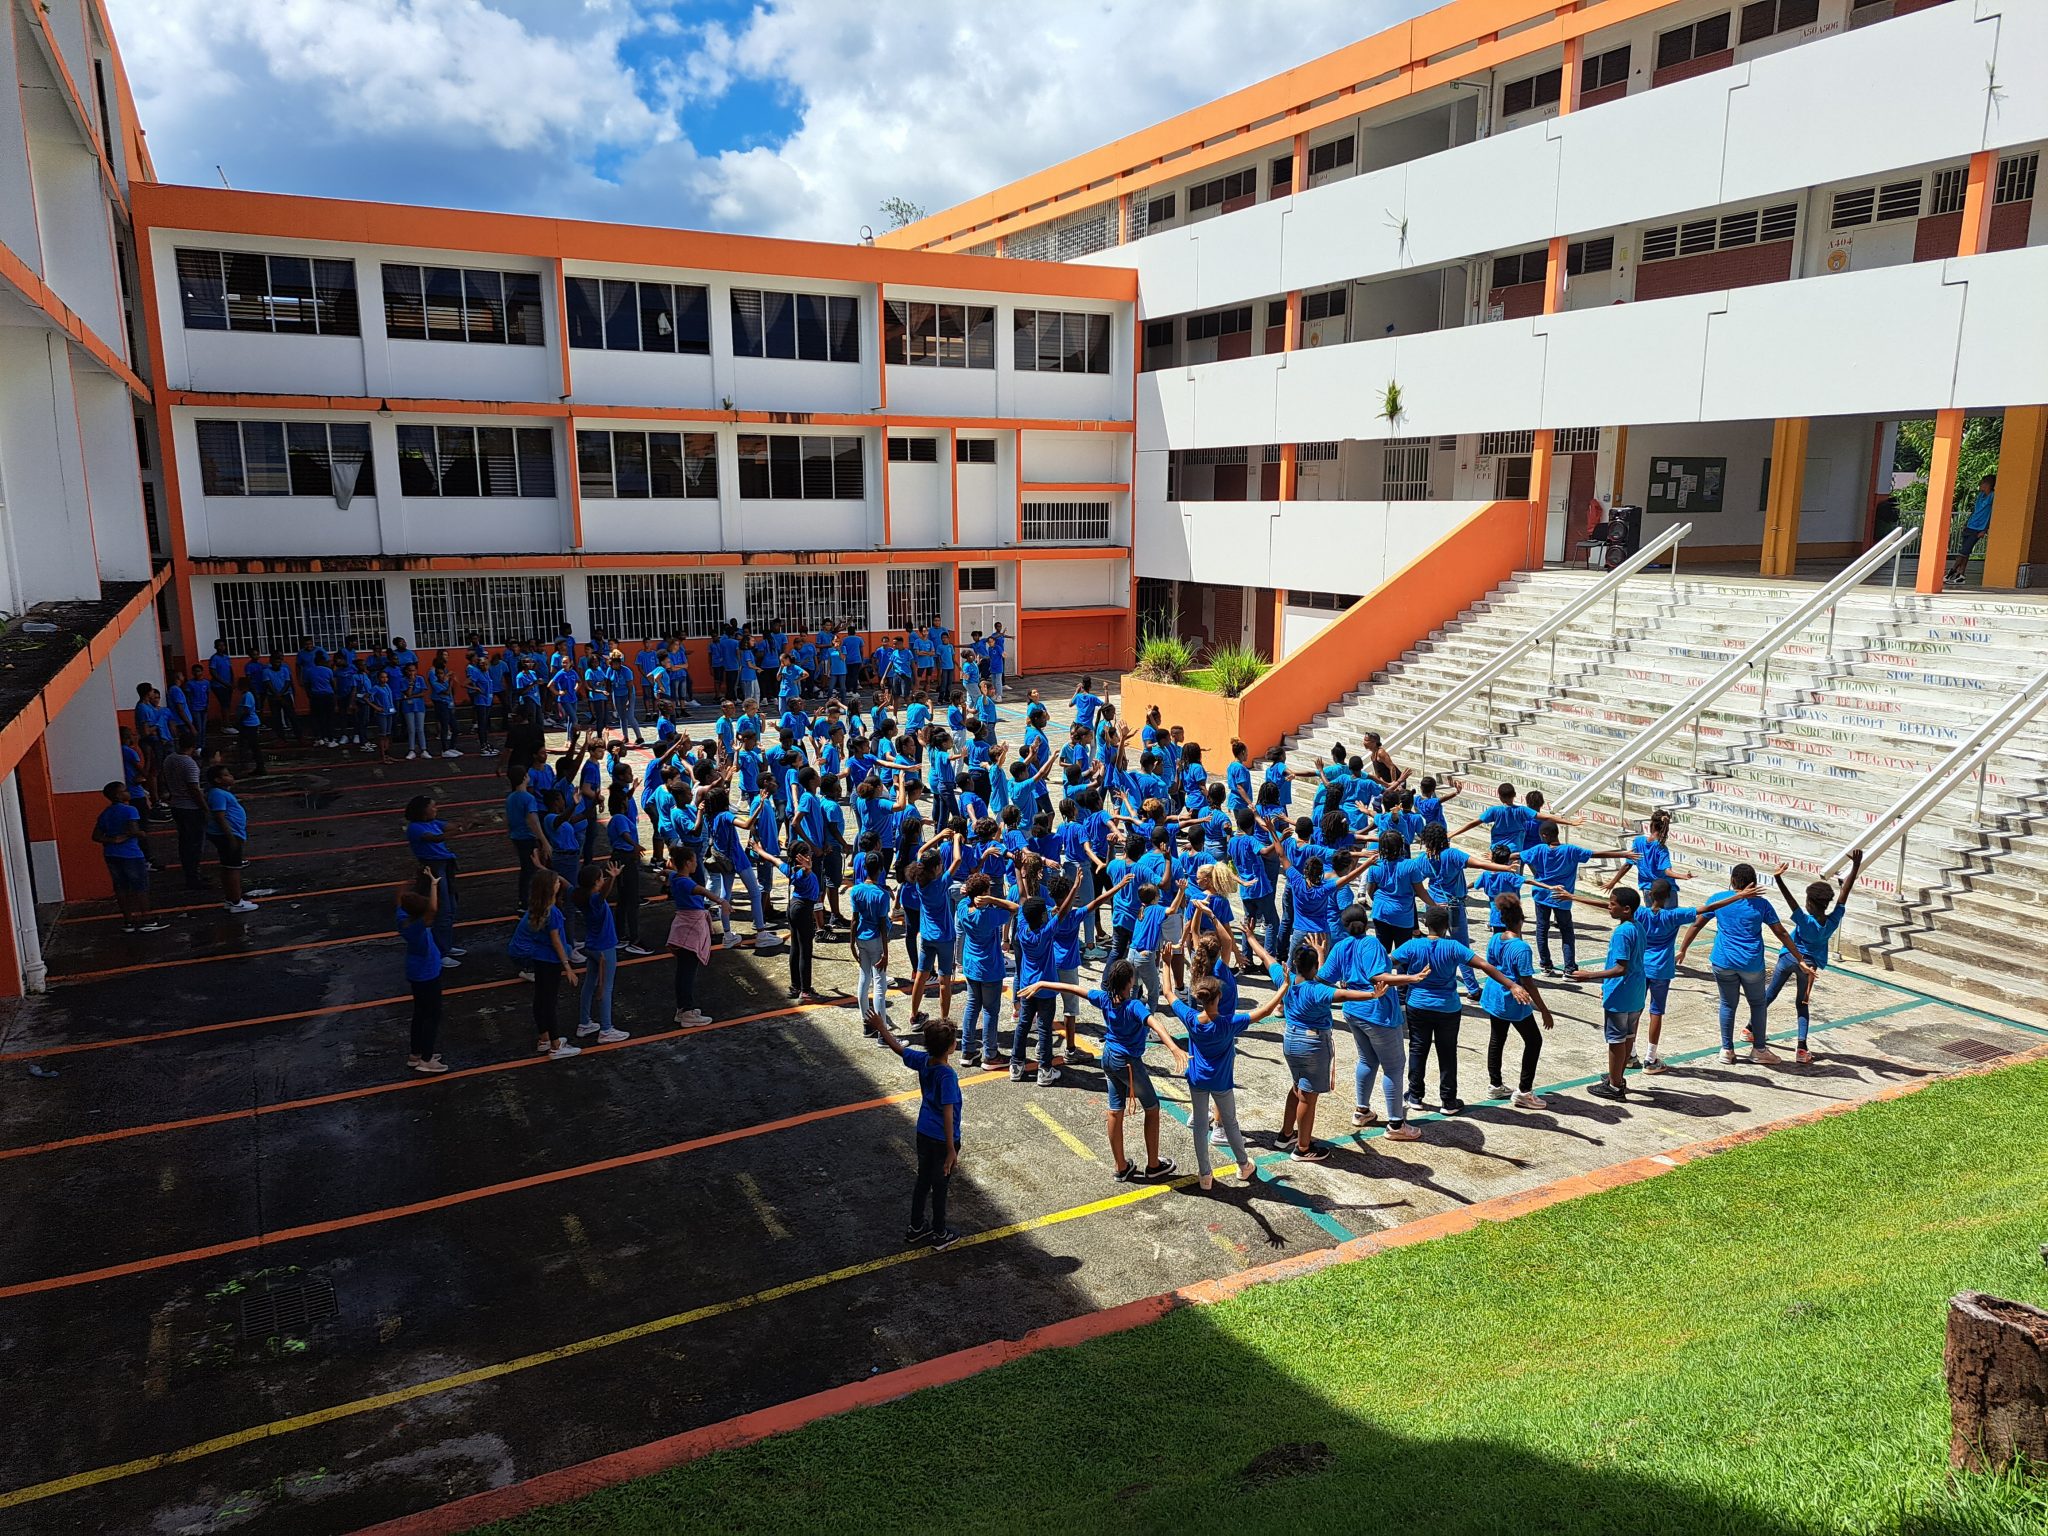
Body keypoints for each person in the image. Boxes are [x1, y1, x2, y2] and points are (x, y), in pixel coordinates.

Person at [1022, 959, 1185, 1181]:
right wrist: (1174, 1048)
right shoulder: (1134, 1006)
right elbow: (1156, 1024)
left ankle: (1121, 1166)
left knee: (1115, 1110)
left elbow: (1073, 988)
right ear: (1129, 982)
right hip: (1128, 1063)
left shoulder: (1105, 999)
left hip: (1108, 1057)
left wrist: (1042, 983)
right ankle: (1154, 1165)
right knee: (1152, 1107)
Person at [1395, 903, 1529, 1115]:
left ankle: (1415, 1096)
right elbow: (1485, 965)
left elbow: (1388, 961)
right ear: (1447, 926)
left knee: (1418, 1048)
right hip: (1448, 1008)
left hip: (1417, 1005)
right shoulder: (1454, 947)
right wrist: (1512, 985)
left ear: (1425, 924)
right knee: (1447, 1052)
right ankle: (1448, 1101)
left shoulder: (1412, 946)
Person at [1677, 862, 1814, 1066]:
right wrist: (1800, 958)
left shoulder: (1719, 899)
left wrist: (1683, 948)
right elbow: (1781, 932)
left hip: (1722, 962)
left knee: (1727, 1004)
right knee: (1758, 1004)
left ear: (1732, 881)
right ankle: (1759, 1050)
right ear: (1754, 883)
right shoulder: (1762, 905)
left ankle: (1727, 1050)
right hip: (1751, 964)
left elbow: (1697, 924)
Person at [1275, 942, 1388, 1161]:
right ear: (1315, 967)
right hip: (1312, 1044)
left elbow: (1266, 958)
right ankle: (1303, 1148)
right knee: (1307, 1097)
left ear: (1294, 963)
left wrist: (1250, 937)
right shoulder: (1317, 990)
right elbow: (1343, 994)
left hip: (1291, 1039)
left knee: (1297, 1087)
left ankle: (1285, 1134)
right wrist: (1372, 995)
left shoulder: (1286, 979)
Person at [1174, 973, 1284, 1190]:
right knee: (1230, 1122)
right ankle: (1243, 1165)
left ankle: (1205, 1175)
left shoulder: (1191, 1018)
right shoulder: (1228, 1023)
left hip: (1197, 1079)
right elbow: (1265, 1011)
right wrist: (1285, 985)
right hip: (1221, 1082)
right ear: (1219, 997)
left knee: (1200, 1126)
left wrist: (1168, 965)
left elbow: (1169, 993)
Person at [872, 1014, 964, 1250]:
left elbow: (899, 1049)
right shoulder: (947, 1076)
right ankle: (940, 1232)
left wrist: (882, 1028)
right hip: (942, 1139)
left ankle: (916, 1227)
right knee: (940, 1186)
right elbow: (948, 1112)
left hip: (924, 1132)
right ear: (950, 1047)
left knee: (923, 1179)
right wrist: (951, 1148)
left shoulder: (923, 1061)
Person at [1768, 849, 1863, 1063]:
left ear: (1809, 903)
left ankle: (1750, 1029)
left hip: (1788, 958)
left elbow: (1790, 900)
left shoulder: (1804, 920)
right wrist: (1856, 866)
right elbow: (1844, 895)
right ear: (1826, 904)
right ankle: (1802, 1049)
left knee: (1770, 994)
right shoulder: (1833, 921)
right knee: (1802, 1004)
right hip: (1809, 967)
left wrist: (1778, 879)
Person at [1560, 887, 1646, 1098]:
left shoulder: (1622, 933)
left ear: (1626, 909)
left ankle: (1614, 1086)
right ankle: (1618, 1077)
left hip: (1620, 994)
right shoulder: (1638, 927)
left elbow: (1620, 968)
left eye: (1612, 904)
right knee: (1628, 1037)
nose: (1609, 907)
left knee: (1616, 1040)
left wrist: (1589, 975)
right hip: (1636, 992)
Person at [1521, 822, 1631, 976]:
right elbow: (1595, 854)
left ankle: (1545, 965)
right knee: (1566, 932)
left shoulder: (1538, 849)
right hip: (1563, 898)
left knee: (1542, 929)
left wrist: (1497, 858)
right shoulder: (1570, 850)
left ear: (1544, 836)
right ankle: (1569, 968)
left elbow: (1517, 856)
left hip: (1542, 895)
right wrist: (1623, 854)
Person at [1479, 895, 1555, 1107]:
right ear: (1522, 920)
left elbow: (1491, 966)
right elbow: (1528, 983)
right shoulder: (1521, 948)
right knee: (1534, 1041)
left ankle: (1495, 1085)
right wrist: (1544, 1010)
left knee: (1497, 1038)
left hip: (1495, 996)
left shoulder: (1496, 938)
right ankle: (1524, 1091)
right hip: (1513, 1000)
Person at [510, 869, 582, 1059]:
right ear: (550, 888)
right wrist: (567, 966)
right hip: (550, 960)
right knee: (549, 1002)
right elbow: (556, 941)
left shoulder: (537, 908)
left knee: (540, 999)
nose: (559, 883)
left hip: (539, 958)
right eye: (556, 882)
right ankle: (556, 1045)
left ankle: (544, 1038)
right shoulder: (554, 912)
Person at [757, 840, 824, 1002]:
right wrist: (808, 868)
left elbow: (774, 859)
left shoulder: (790, 869)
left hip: (793, 907)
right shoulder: (802, 872)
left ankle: (796, 986)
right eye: (808, 853)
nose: (811, 855)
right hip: (803, 910)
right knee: (805, 950)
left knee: (796, 947)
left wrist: (758, 849)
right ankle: (805, 991)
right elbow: (805, 873)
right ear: (803, 857)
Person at [93, 781, 163, 933]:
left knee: (121, 887)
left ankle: (128, 920)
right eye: (124, 790)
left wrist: (113, 840)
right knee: (140, 886)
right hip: (131, 853)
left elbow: (96, 835)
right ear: (118, 795)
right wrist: (139, 834)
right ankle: (147, 918)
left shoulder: (105, 813)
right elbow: (134, 830)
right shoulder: (130, 810)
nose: (128, 792)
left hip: (111, 853)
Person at [397, 868, 447, 1074]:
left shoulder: (402, 917)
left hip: (415, 971)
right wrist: (434, 884)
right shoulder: (417, 927)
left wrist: (408, 887)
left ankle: (415, 1053)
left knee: (419, 1013)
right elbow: (433, 909)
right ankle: (426, 1059)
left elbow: (403, 900)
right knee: (432, 1015)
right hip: (428, 973)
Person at [573, 861, 629, 1044]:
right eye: (601, 878)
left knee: (589, 984)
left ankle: (584, 1023)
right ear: (596, 882)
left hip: (592, 946)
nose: (603, 879)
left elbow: (565, 884)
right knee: (606, 987)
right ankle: (606, 1029)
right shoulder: (594, 900)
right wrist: (613, 878)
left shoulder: (580, 896)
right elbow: (604, 894)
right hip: (605, 948)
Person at [404, 793, 463, 967]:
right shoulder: (415, 828)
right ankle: (440, 952)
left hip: (445, 866)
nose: (436, 809)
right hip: (433, 869)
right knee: (442, 909)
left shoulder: (433, 822)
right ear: (423, 810)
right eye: (433, 806)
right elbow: (435, 838)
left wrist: (467, 823)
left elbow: (451, 826)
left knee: (451, 907)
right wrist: (460, 830)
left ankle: (446, 945)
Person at [848, 852, 894, 1038]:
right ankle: (883, 1034)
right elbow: (882, 924)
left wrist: (852, 943)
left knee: (864, 979)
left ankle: (867, 1024)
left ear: (864, 868)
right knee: (879, 986)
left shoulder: (856, 890)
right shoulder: (882, 895)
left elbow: (854, 919)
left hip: (861, 938)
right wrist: (886, 953)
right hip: (876, 940)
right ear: (881, 869)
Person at [666, 846, 713, 1026]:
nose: (696, 864)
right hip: (690, 929)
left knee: (683, 970)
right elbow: (702, 890)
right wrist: (721, 901)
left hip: (682, 927)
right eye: (694, 861)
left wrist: (662, 872)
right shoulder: (686, 882)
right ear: (687, 863)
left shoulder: (675, 877)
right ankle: (687, 1011)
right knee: (687, 972)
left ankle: (683, 1009)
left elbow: (669, 872)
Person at [203, 764, 259, 914]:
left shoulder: (220, 793)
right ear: (218, 780)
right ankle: (236, 901)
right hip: (227, 835)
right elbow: (219, 817)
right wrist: (231, 837)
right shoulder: (218, 794)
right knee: (233, 868)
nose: (231, 777)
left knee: (229, 867)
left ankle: (231, 899)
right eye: (227, 775)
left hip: (229, 834)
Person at [159, 731, 208, 891]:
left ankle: (191, 873)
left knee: (185, 842)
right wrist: (205, 807)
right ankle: (193, 876)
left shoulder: (170, 759)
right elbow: (194, 789)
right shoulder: (189, 764)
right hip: (190, 807)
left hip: (177, 804)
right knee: (194, 844)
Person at [1946, 474, 1997, 584]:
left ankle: (1952, 571)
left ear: (1988, 484)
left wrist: (1985, 529)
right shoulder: (1980, 496)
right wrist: (1966, 522)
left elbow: (1991, 513)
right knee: (1966, 552)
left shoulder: (1992, 496)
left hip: (1979, 528)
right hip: (1970, 525)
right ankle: (1961, 574)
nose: (1980, 485)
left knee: (1963, 551)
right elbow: (1975, 510)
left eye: (1982, 483)